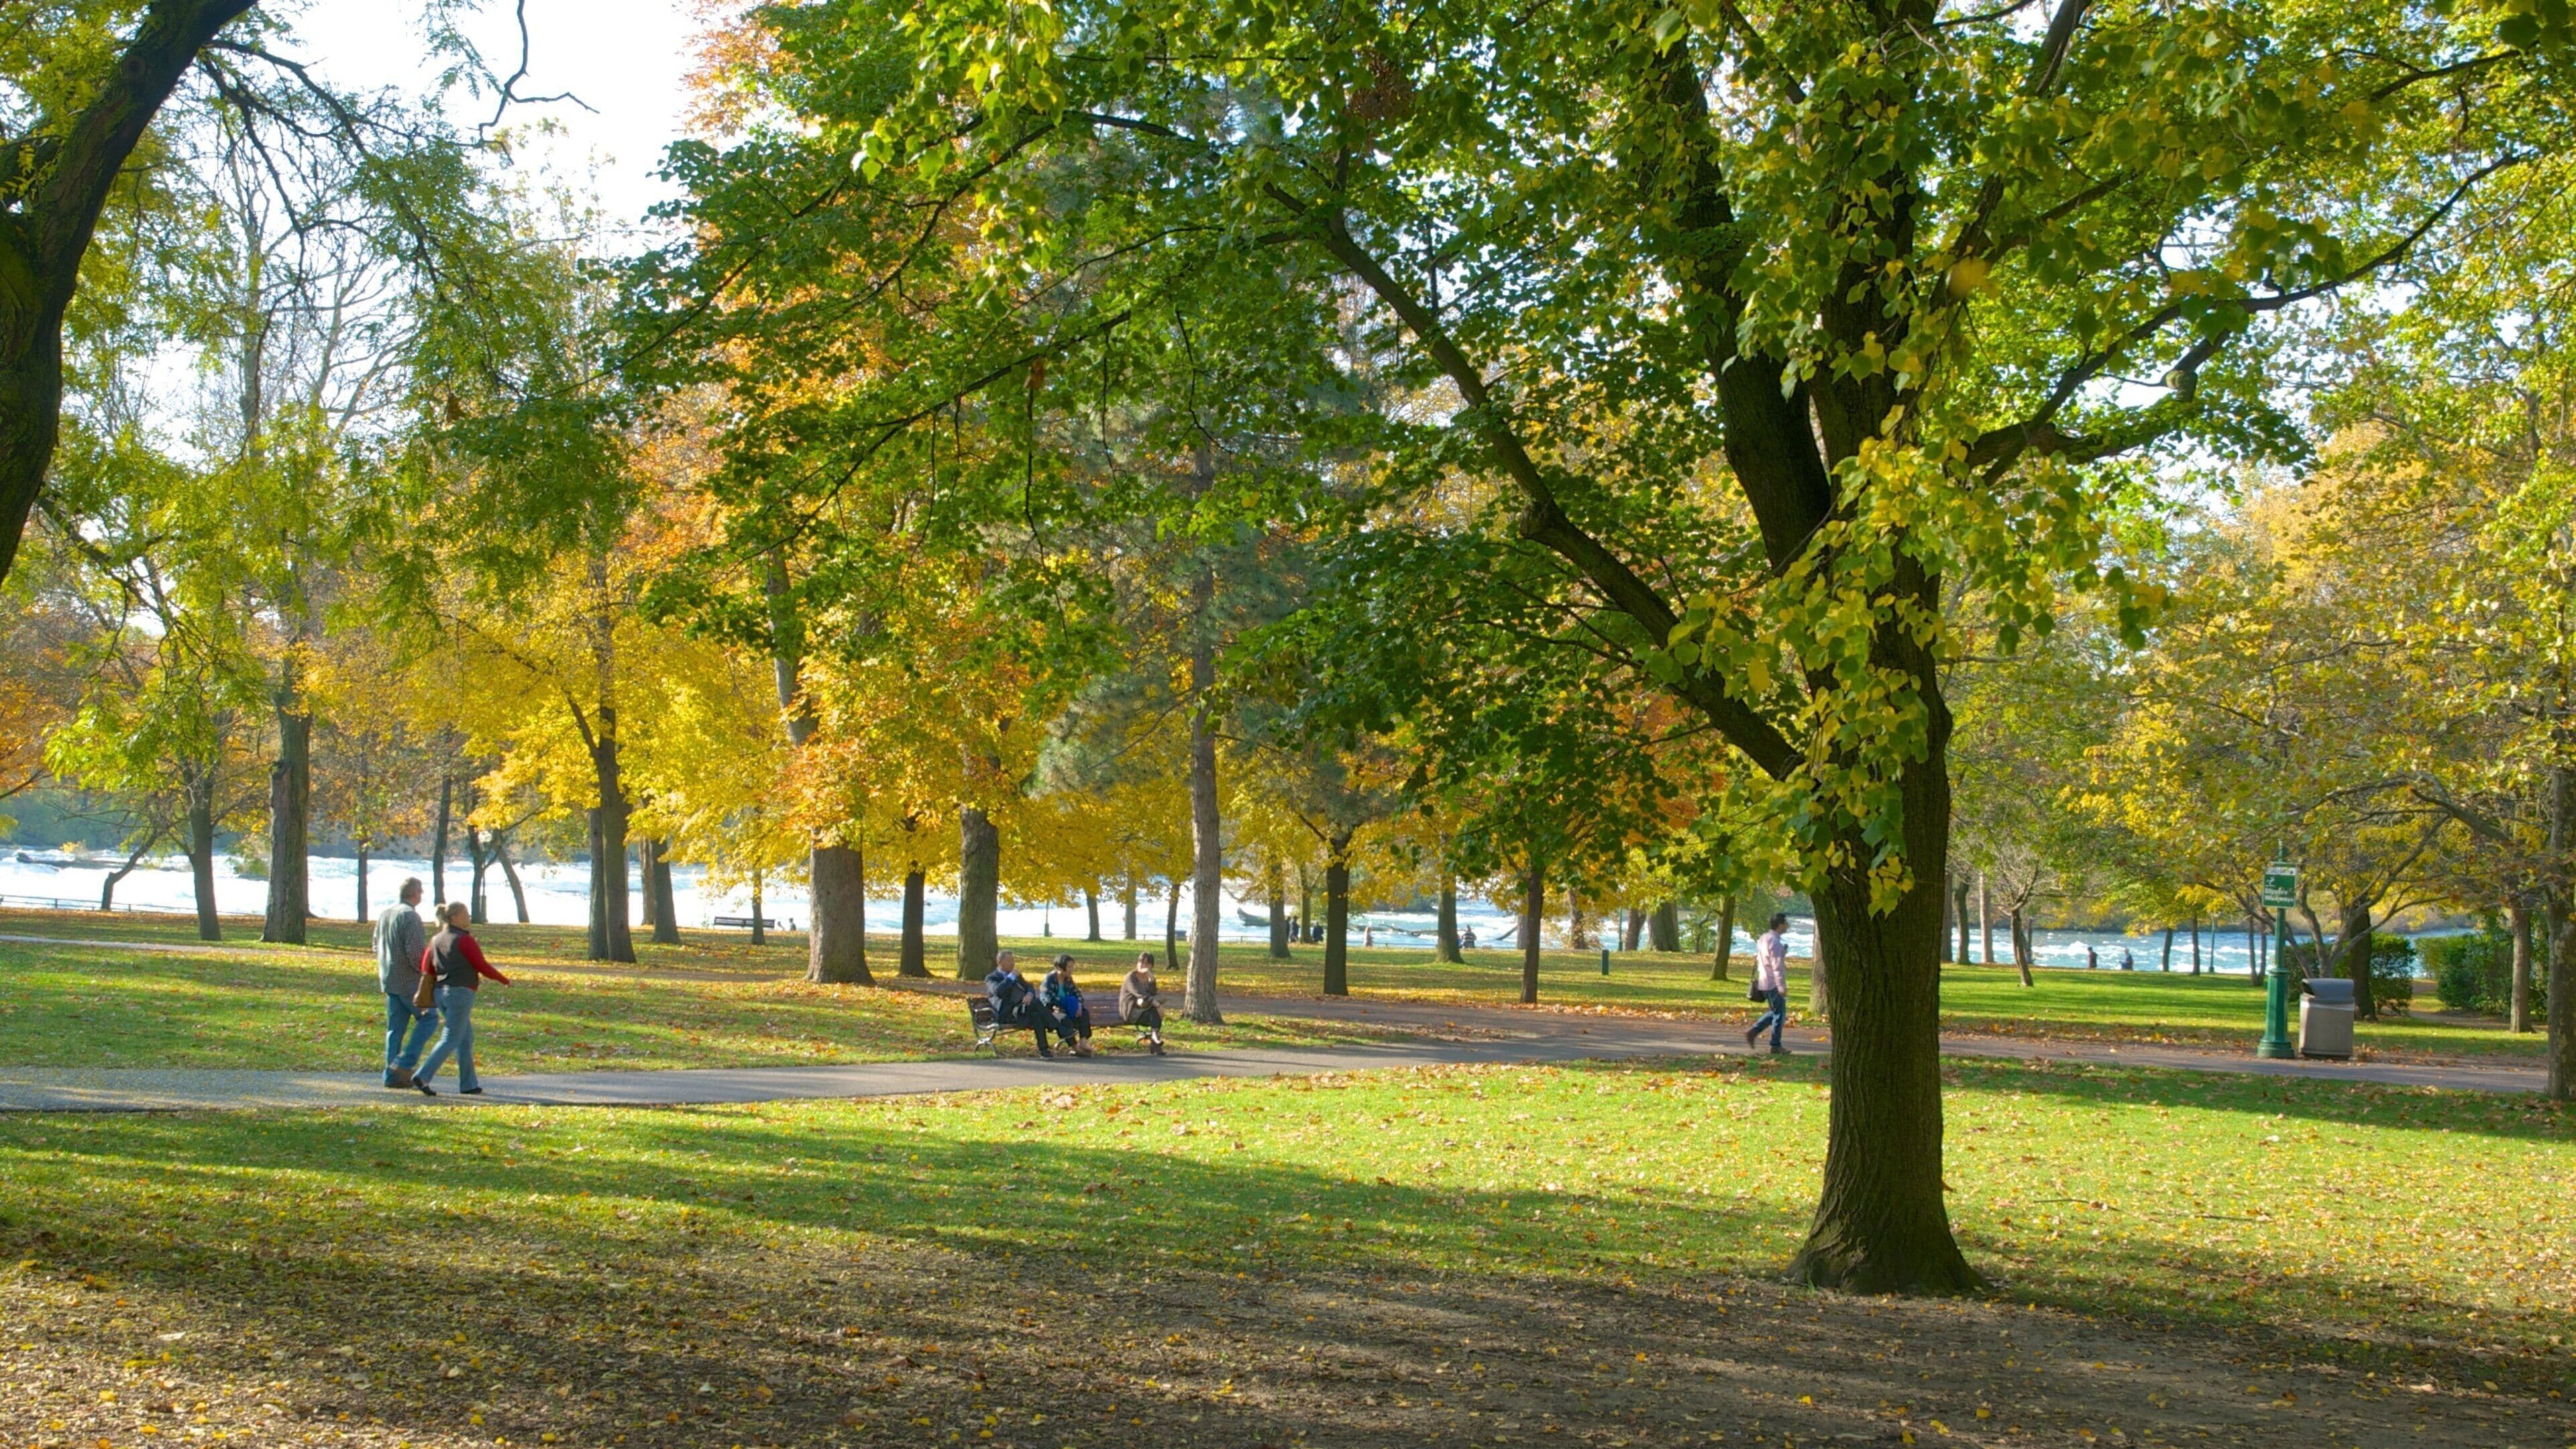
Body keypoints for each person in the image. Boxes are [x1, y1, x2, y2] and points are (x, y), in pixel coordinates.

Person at [411, 902, 511, 1096]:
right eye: (465, 913)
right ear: (454, 917)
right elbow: (480, 964)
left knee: (465, 1039)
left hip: (441, 993)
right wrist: (503, 979)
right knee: (451, 1037)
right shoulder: (464, 940)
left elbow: (427, 968)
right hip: (460, 992)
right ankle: (423, 1075)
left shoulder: (435, 940)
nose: (469, 916)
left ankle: (468, 1084)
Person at [373, 877, 434, 1088]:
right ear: (414, 894)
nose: (422, 896)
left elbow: (376, 945)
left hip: (389, 979)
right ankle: (403, 1063)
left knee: (395, 1030)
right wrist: (429, 973)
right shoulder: (410, 917)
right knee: (429, 1019)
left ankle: (391, 1076)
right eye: (421, 892)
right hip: (409, 982)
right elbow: (416, 953)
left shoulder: (385, 913)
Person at [984, 950, 1055, 1058]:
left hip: (1021, 1012)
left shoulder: (1017, 976)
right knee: (1036, 1005)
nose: (1013, 963)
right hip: (1007, 1014)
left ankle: (1044, 1051)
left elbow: (1029, 987)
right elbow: (998, 991)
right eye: (1010, 961)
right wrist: (1011, 977)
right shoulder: (992, 978)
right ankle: (1057, 1026)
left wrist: (1029, 995)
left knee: (1036, 1015)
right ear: (1000, 962)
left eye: (1013, 961)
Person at [1745, 912, 1791, 1055]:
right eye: (1785, 923)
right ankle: (1775, 1045)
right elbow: (1777, 967)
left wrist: (1782, 953)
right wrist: (1781, 986)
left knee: (1775, 1012)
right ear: (1780, 925)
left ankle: (1754, 1032)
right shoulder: (1775, 942)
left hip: (1764, 981)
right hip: (1773, 983)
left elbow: (1764, 959)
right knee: (1780, 1015)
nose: (1787, 926)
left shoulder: (1764, 938)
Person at [1042, 954, 1096, 1057]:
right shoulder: (1049, 979)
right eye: (1069, 967)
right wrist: (1063, 1005)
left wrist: (1079, 1005)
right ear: (1059, 967)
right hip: (1052, 1011)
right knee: (1064, 1020)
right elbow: (1048, 998)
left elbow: (1077, 994)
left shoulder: (1068, 979)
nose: (1071, 970)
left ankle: (1083, 1042)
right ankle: (1075, 1048)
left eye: (1072, 967)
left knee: (1084, 1013)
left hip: (1068, 1009)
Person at [1120, 951, 1167, 1055]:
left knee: (1155, 1012)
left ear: (1151, 966)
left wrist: (1151, 980)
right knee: (1156, 1010)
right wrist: (1157, 1004)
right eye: (1141, 962)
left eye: (1147, 963)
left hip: (1144, 1009)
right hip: (1131, 1012)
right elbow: (1139, 993)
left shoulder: (1148, 977)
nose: (1143, 965)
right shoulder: (1131, 977)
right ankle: (1155, 1041)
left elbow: (1153, 993)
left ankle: (1155, 1039)